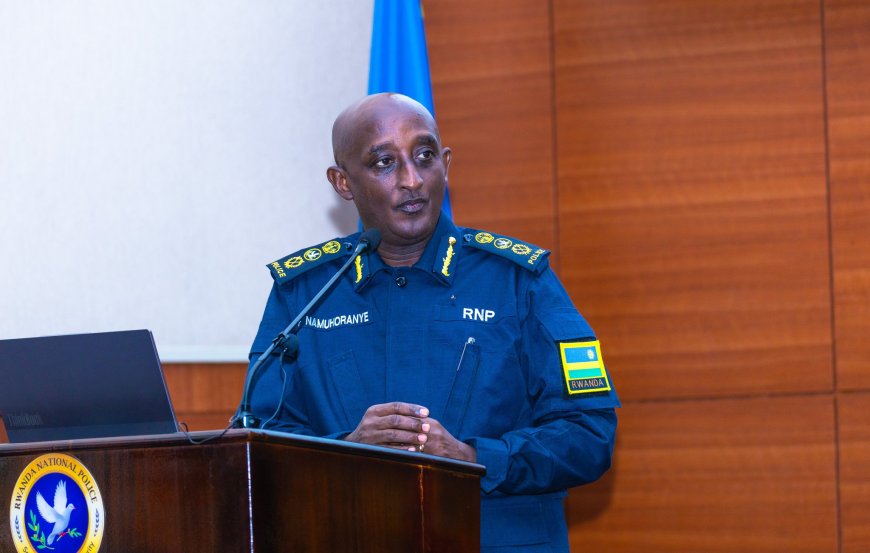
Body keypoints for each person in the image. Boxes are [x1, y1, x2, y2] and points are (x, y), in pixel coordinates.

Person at [245, 92, 619, 552]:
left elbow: (589, 432)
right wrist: (347, 450)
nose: (412, 180)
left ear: (446, 163)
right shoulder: (304, 293)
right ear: (343, 182)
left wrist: (475, 458)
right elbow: (257, 438)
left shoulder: (519, 281)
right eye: (384, 162)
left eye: (424, 156)